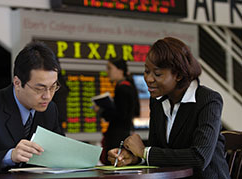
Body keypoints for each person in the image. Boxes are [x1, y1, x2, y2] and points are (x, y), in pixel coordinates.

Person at [107, 37, 230, 178]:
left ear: (178, 75)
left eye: (157, 74)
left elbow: (199, 158)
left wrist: (144, 152)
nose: (149, 79)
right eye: (147, 71)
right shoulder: (157, 102)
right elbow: (156, 149)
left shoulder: (208, 100)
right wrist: (135, 157)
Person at [0, 41, 64, 173]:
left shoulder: (50, 109)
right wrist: (10, 156)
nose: (48, 96)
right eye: (40, 88)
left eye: (53, 87)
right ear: (17, 83)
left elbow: (60, 151)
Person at [95, 58, 140, 164]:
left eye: (110, 68)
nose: (107, 72)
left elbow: (121, 114)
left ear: (120, 70)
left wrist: (102, 110)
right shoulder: (129, 86)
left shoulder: (122, 88)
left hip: (117, 136)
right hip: (125, 132)